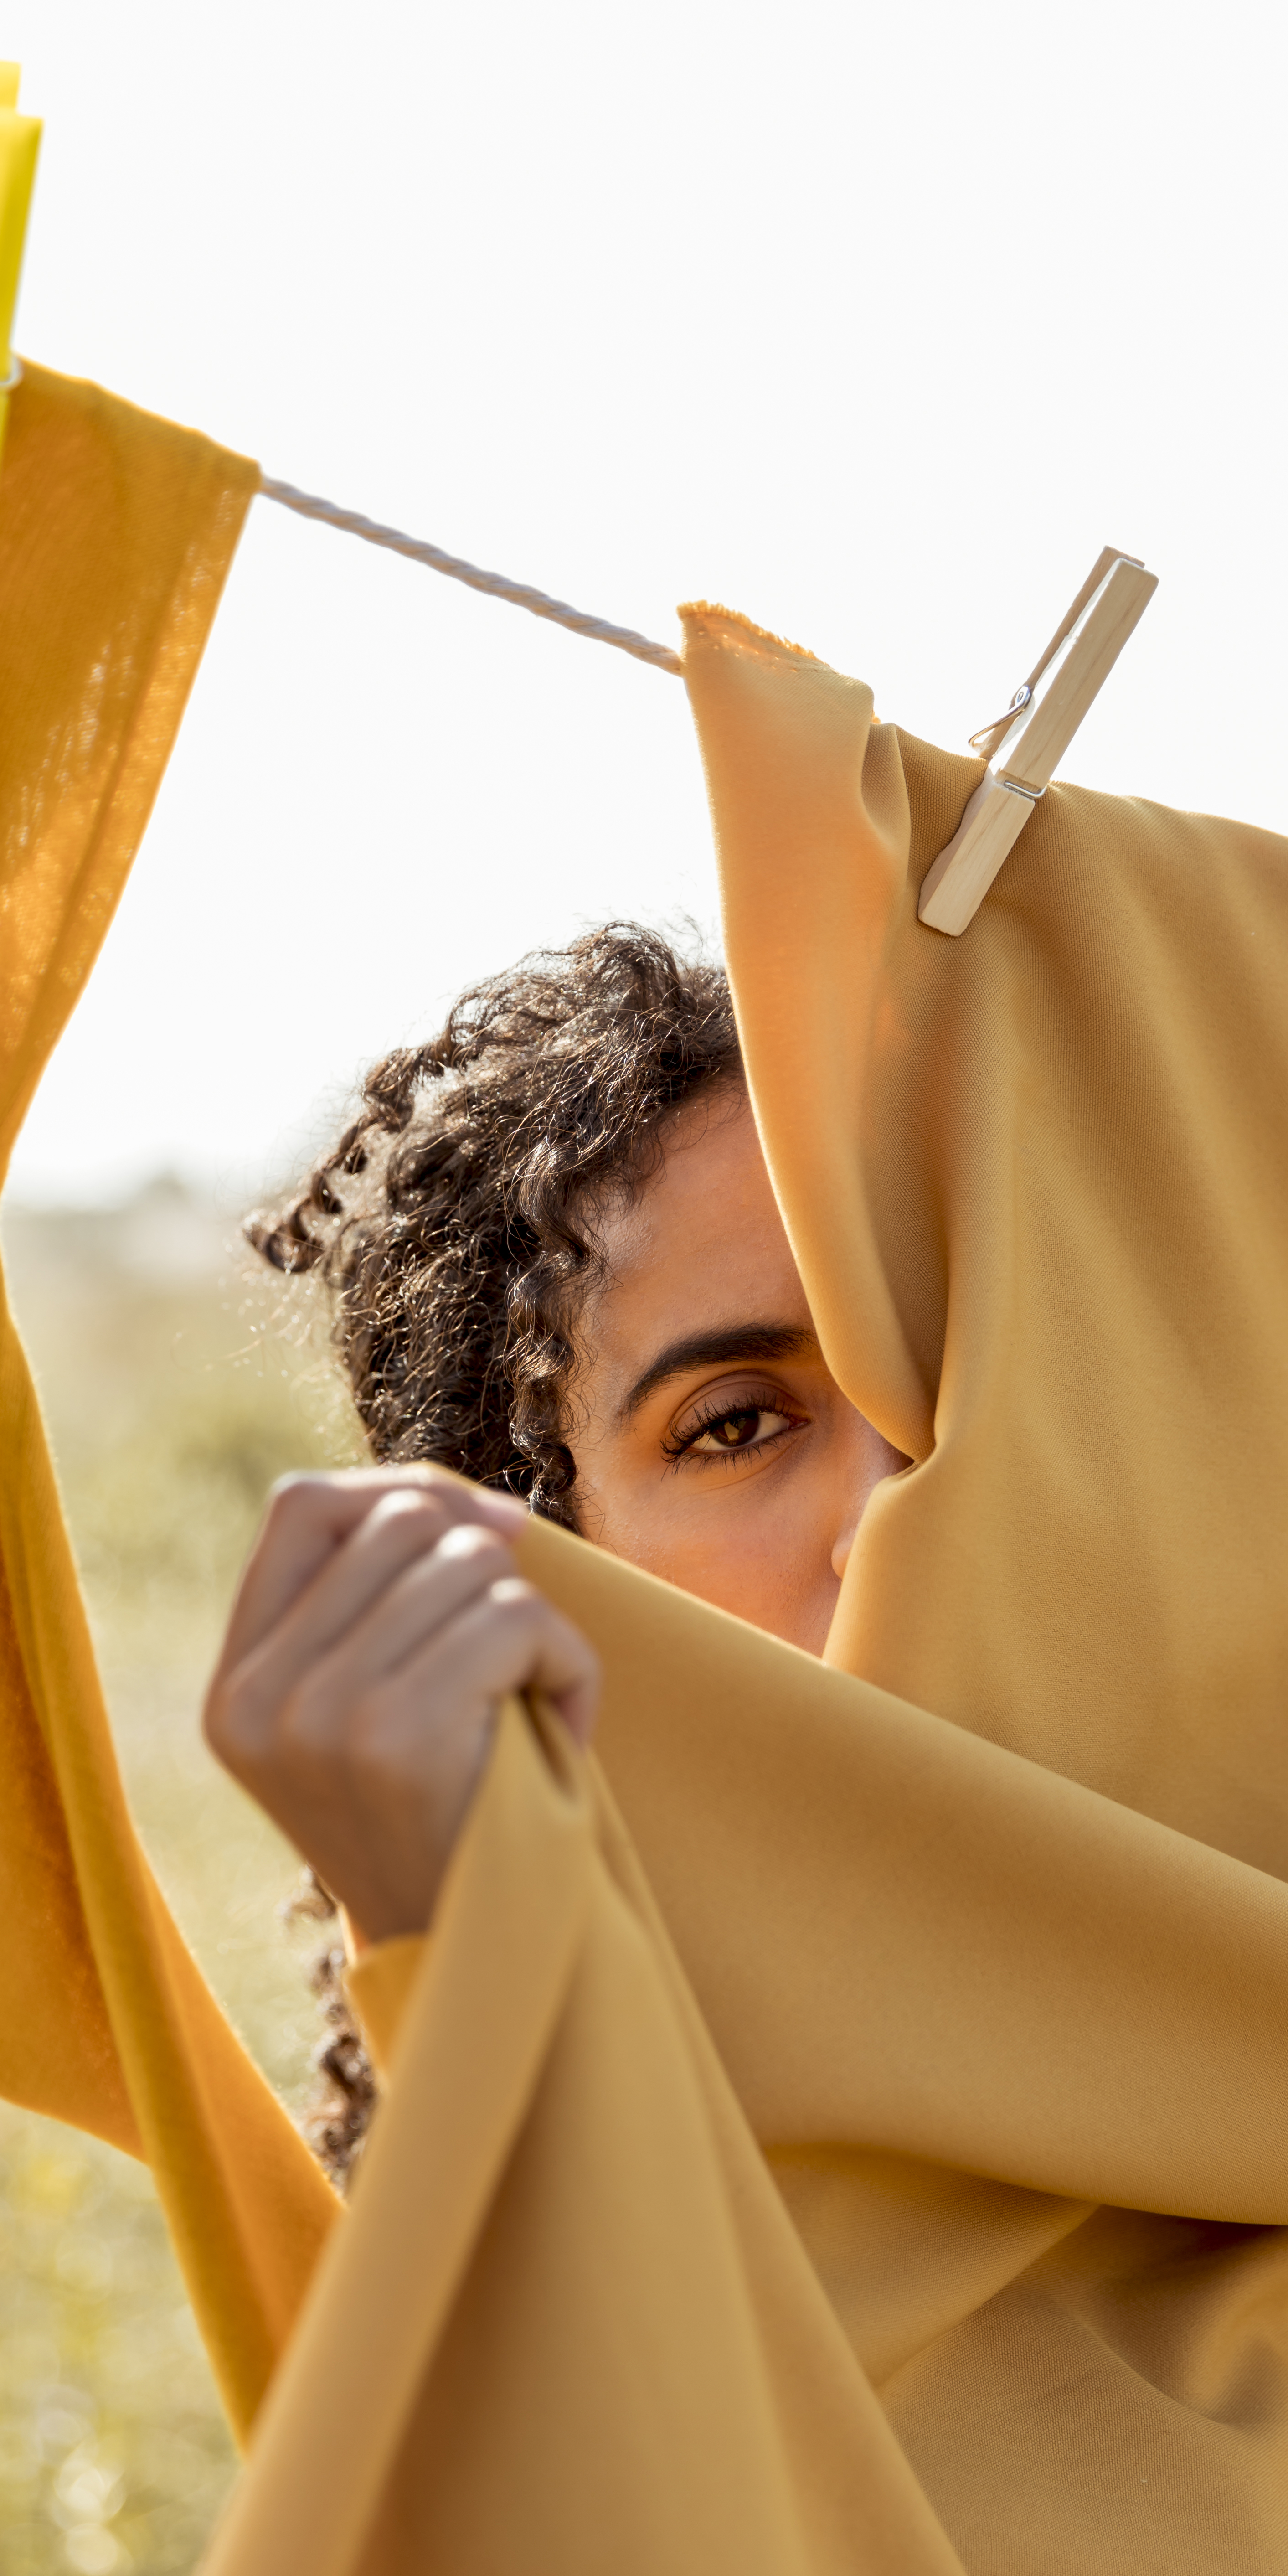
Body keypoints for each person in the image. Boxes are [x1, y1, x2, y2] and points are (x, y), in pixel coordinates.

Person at [202, 922, 907, 2175]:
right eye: (736, 1425)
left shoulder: (1287, 1910)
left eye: (939, 1381)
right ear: (545, 1555)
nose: (890, 1508)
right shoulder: (573, 2160)